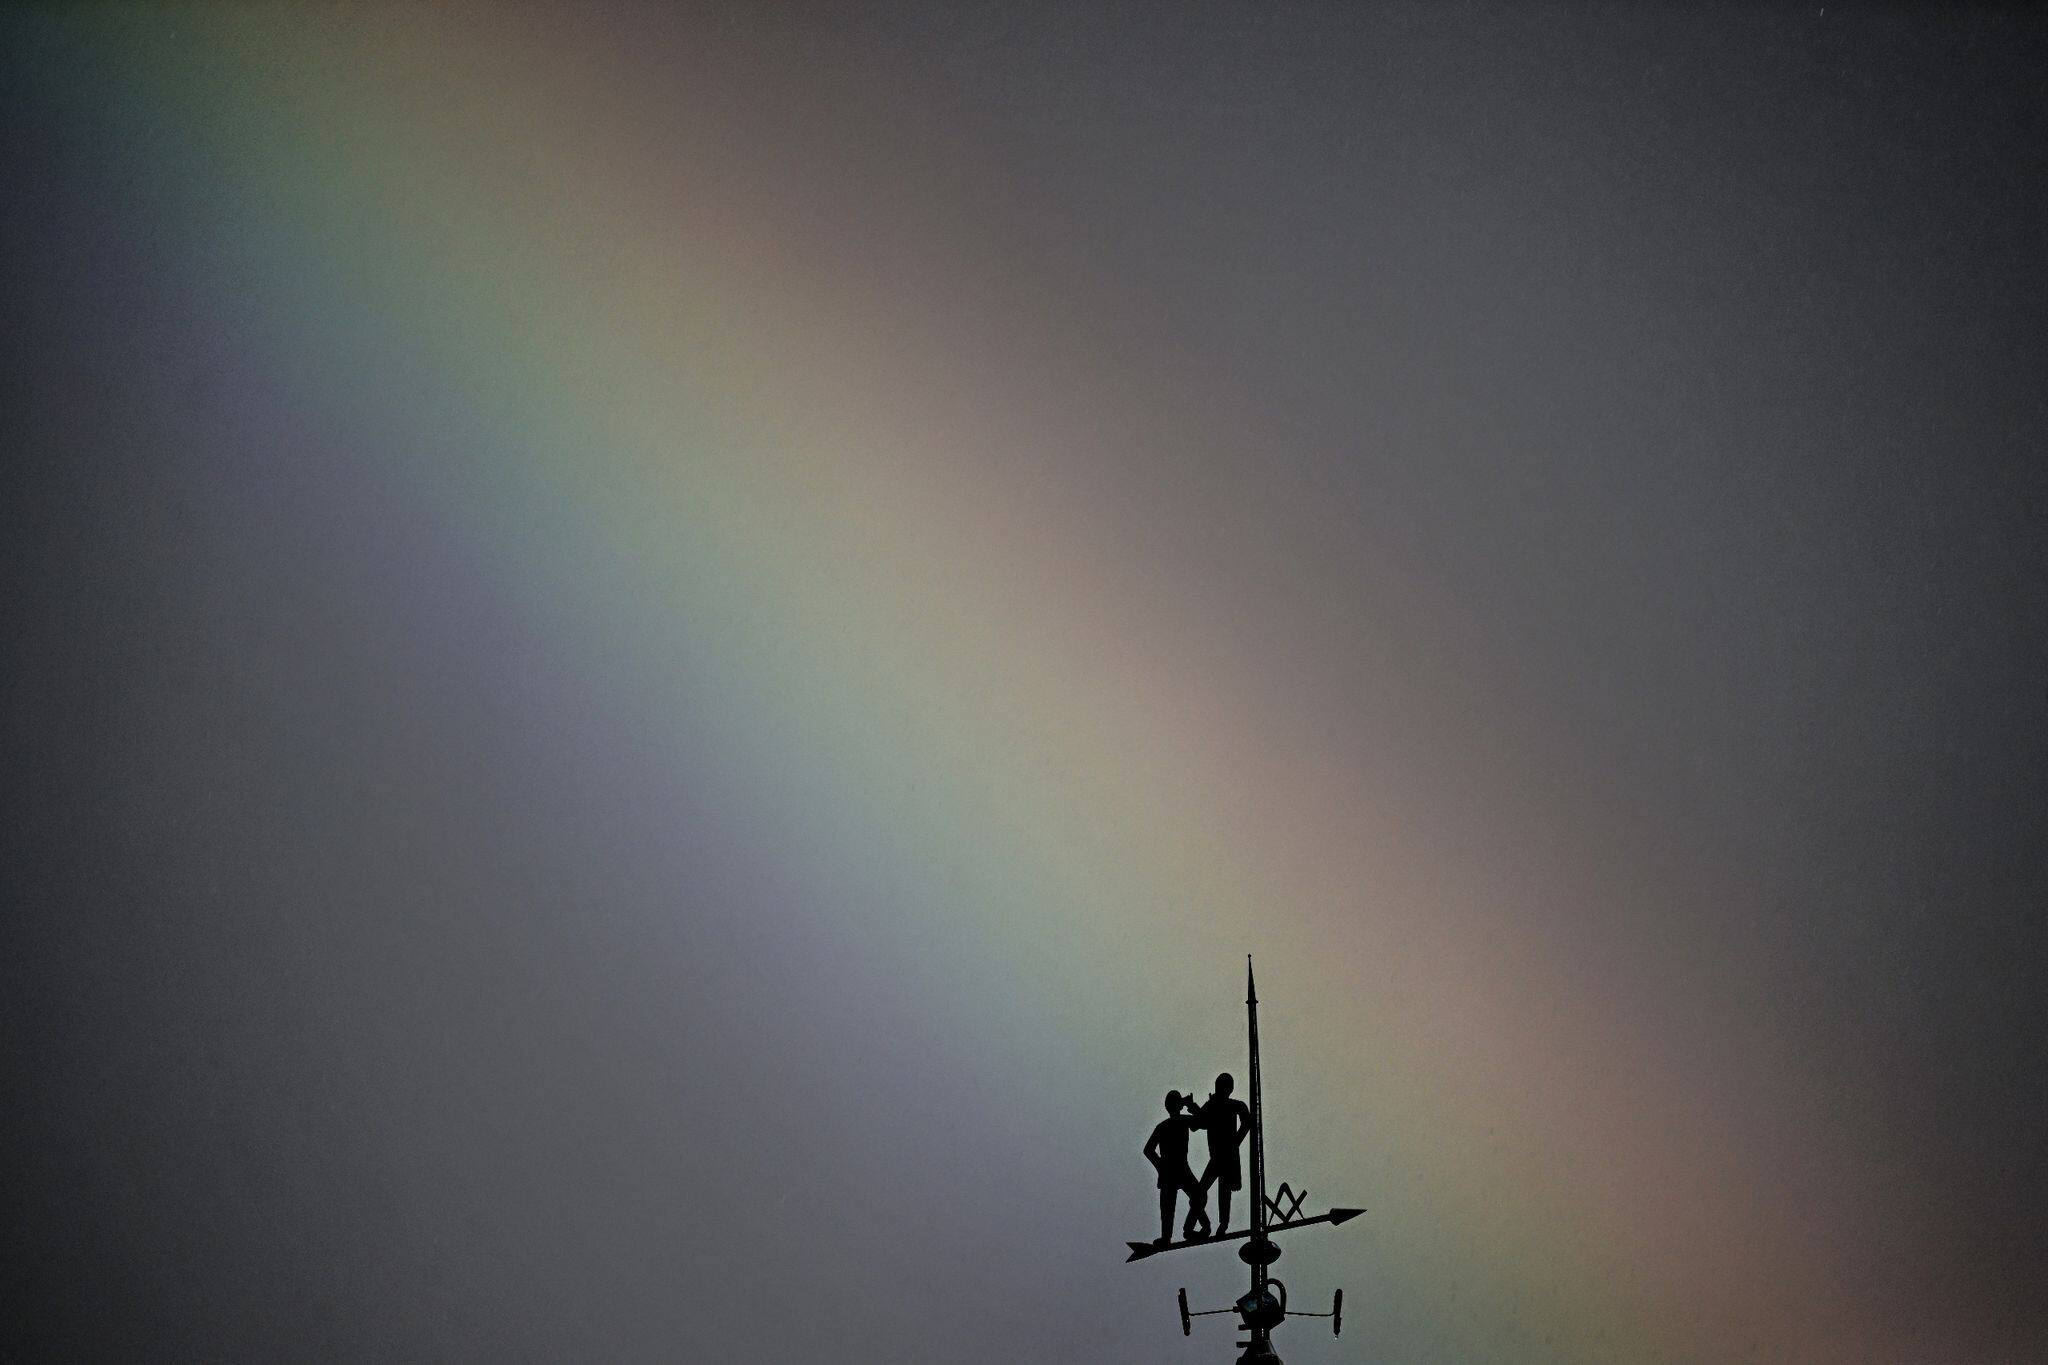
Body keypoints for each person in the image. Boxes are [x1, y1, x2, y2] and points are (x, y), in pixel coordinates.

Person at [1142, 1090, 1211, 1244]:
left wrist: (1160, 1165)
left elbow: (1204, 1123)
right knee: (1177, 1203)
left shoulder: (1169, 1124)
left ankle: (1183, 1231)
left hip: (1176, 1169)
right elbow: (1204, 1122)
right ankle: (1182, 1232)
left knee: (1187, 1200)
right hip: (1175, 1169)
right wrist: (1191, 1105)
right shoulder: (1177, 1122)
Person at [1192, 1073, 1253, 1234]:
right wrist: (1194, 1108)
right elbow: (1198, 1124)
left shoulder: (1234, 1105)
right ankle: (1204, 1226)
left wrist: (1235, 1143)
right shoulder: (1212, 1105)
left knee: (1222, 1192)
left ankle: (1222, 1225)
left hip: (1226, 1157)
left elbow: (1247, 1122)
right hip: (1217, 1157)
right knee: (1200, 1193)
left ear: (1228, 1089)